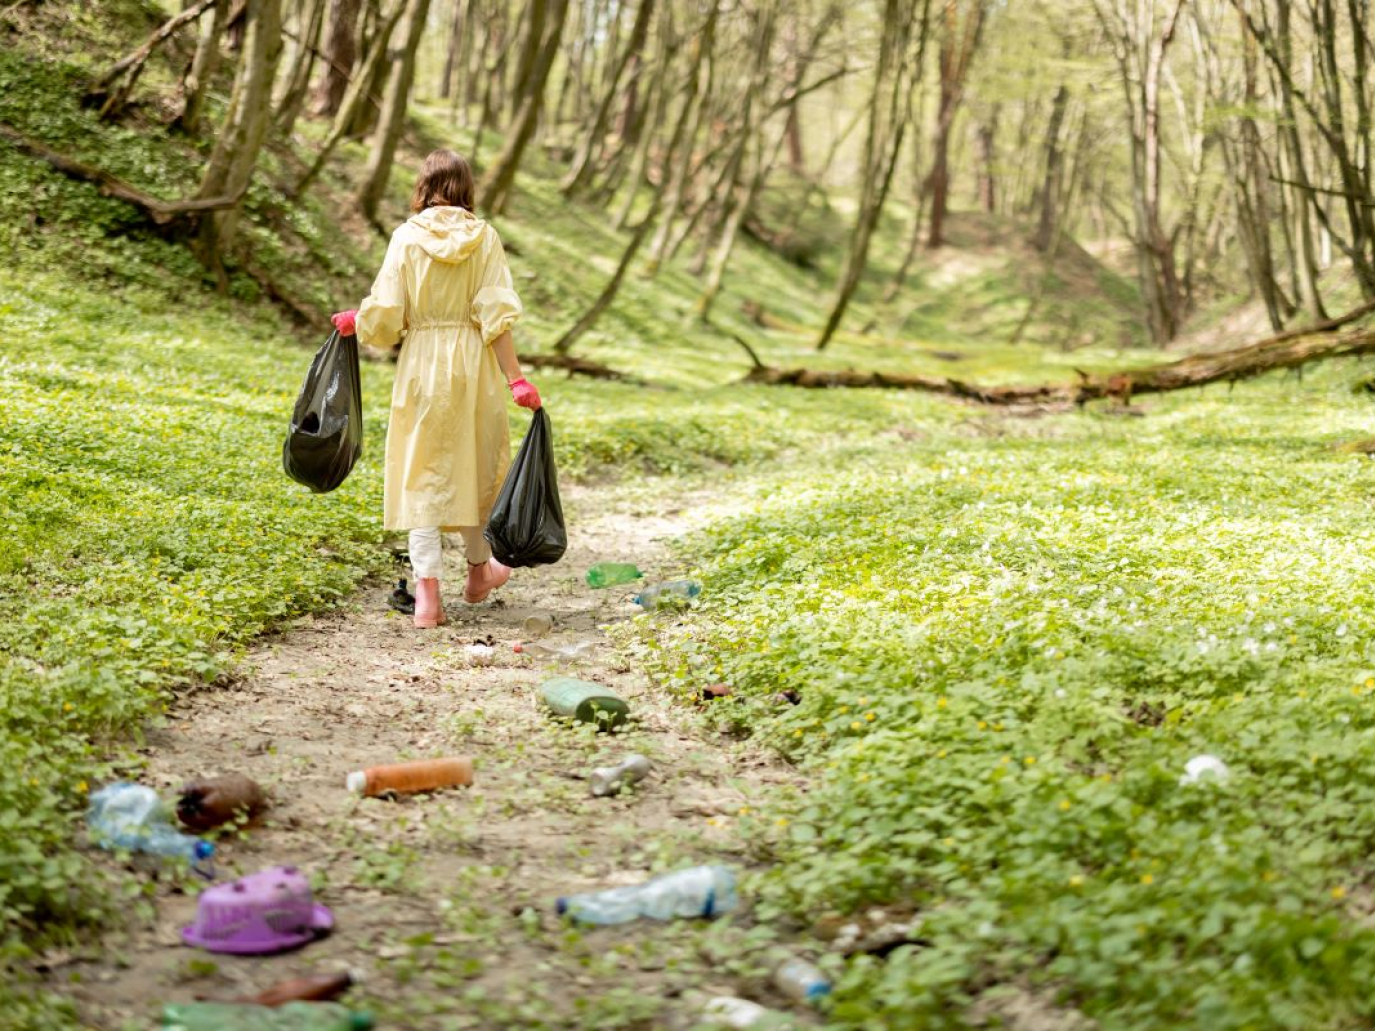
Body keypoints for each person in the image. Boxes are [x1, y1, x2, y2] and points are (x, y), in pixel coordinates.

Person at [331, 149, 541, 629]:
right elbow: (496, 317)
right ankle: (477, 574)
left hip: (422, 363)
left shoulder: (406, 237)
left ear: (423, 187)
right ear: (467, 188)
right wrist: (516, 379)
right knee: (475, 466)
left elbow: (386, 311)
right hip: (473, 365)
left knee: (421, 474)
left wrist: (357, 322)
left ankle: (428, 600)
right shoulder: (485, 238)